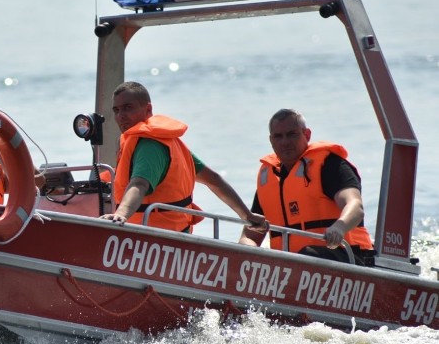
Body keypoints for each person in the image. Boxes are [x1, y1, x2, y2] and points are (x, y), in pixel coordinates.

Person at [100, 81, 265, 232]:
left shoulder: (149, 145)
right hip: (177, 234)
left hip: (156, 237)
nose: (120, 116)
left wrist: (121, 214)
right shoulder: (169, 142)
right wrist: (246, 215)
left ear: (148, 109)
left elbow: (139, 184)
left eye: (128, 108)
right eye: (117, 110)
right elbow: (213, 179)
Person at [239, 108, 375, 265]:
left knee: (306, 256)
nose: (285, 142)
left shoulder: (329, 164)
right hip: (292, 268)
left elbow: (355, 205)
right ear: (271, 140)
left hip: (347, 257)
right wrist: (246, 253)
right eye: (278, 136)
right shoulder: (268, 179)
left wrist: (339, 227)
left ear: (307, 135)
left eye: (292, 134)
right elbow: (250, 235)